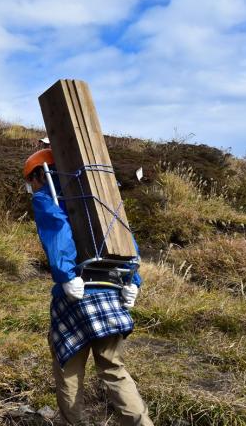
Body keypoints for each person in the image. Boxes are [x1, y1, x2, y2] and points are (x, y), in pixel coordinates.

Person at [23, 149, 153, 425]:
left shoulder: (47, 198)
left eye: (30, 180)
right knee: (113, 368)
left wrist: (66, 275)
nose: (31, 187)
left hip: (77, 294)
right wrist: (133, 281)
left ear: (39, 174)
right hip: (112, 291)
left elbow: (58, 232)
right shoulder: (99, 196)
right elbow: (124, 239)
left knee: (68, 367)